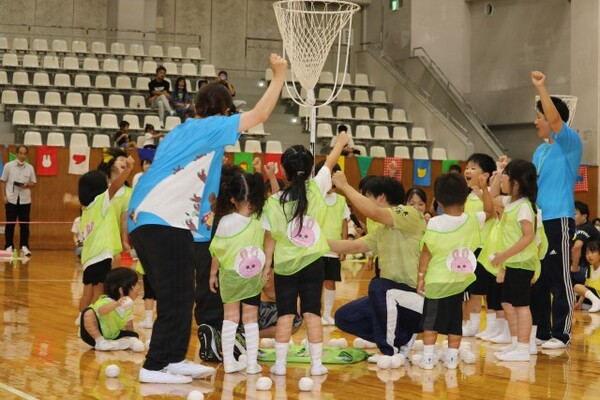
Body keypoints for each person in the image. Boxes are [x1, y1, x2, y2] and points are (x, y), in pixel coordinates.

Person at [127, 54, 288, 385]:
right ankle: (154, 366)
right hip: (161, 221)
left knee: (182, 294)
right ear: (224, 111)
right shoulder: (208, 128)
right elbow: (260, 114)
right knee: (176, 295)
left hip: (160, 222)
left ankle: (173, 359)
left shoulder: (186, 132)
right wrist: (279, 76)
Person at [261, 131, 350, 377]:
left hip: (285, 266)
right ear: (310, 169)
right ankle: (317, 365)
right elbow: (330, 161)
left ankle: (280, 365)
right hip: (313, 263)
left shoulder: (274, 202)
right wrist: (340, 142)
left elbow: (269, 237)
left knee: (285, 314)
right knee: (312, 313)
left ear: (283, 171)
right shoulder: (317, 188)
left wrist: (267, 265)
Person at [329, 174, 426, 358]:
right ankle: (400, 337)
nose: (363, 201)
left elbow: (373, 212)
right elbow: (354, 246)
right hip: (392, 299)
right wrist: (316, 242)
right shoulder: (382, 230)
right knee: (344, 317)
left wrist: (345, 186)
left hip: (416, 301)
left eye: (366, 196)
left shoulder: (411, 214)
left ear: (381, 197)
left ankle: (389, 350)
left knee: (378, 285)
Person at [416, 173, 492, 369]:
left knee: (431, 322)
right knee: (455, 321)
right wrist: (485, 188)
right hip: (458, 282)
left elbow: (426, 252)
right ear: (465, 198)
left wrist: (421, 276)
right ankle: (451, 359)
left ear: (439, 201)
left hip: (436, 281)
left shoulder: (434, 223)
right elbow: (490, 211)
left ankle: (428, 359)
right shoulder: (472, 220)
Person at [531, 70, 582, 349]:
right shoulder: (539, 152)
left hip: (558, 219)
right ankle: (541, 332)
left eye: (539, 116)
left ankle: (561, 334)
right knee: (538, 278)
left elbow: (554, 120)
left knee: (559, 278)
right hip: (538, 222)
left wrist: (541, 88)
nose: (536, 121)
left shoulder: (570, 143)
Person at [208, 160, 276, 374]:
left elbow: (217, 251)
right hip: (252, 274)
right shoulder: (261, 218)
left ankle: (229, 363)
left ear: (232, 198)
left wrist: (212, 274)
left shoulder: (225, 221)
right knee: (250, 318)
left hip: (229, 275)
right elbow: (275, 201)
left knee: (230, 317)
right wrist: (267, 266)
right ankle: (251, 364)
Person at [490, 160, 542, 362]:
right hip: (513, 262)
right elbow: (493, 196)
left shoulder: (524, 207)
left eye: (506, 176)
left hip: (522, 262)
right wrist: (499, 171)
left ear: (516, 182)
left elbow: (528, 237)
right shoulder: (510, 203)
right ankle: (515, 343)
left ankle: (523, 347)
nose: (502, 179)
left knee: (521, 305)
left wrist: (503, 255)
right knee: (507, 302)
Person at [78, 155, 133, 314]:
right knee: (99, 294)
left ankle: (82, 320)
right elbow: (115, 185)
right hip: (101, 256)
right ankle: (92, 320)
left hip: (88, 258)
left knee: (87, 293)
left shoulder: (86, 209)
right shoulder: (101, 201)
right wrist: (128, 169)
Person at [462, 153, 496, 338]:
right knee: (474, 290)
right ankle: (472, 325)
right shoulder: (467, 196)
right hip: (471, 249)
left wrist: (484, 190)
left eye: (473, 168)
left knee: (489, 291)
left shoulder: (490, 193)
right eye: (467, 167)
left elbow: (492, 212)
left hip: (487, 249)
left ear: (486, 175)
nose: (467, 170)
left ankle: (492, 327)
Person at [313, 160, 350, 326]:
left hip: (333, 250)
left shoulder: (341, 200)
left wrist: (344, 247)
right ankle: (314, 312)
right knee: (314, 283)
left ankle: (327, 314)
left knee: (330, 282)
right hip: (315, 249)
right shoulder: (315, 198)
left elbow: (344, 223)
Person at [80, 267, 140, 350]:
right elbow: (101, 311)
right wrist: (116, 304)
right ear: (121, 290)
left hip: (112, 335)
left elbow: (129, 325)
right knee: (88, 312)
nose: (138, 287)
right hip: (93, 336)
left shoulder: (128, 305)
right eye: (135, 284)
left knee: (133, 335)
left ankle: (114, 344)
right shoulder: (105, 301)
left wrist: (132, 337)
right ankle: (100, 341)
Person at [1, 145, 36, 257]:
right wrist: (4, 196)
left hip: (25, 201)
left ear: (26, 155)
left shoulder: (30, 168)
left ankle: (24, 246)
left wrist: (27, 185)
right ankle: (9, 246)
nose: (22, 156)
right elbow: (3, 181)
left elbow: (33, 183)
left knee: (24, 225)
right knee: (10, 224)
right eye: (20, 153)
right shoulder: (8, 166)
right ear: (17, 154)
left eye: (24, 154)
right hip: (11, 200)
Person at [571, 201, 600, 285]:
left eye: (575, 214)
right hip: (588, 266)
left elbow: (577, 246)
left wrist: (574, 267)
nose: (572, 217)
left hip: (594, 269)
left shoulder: (586, 228)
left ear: (584, 216)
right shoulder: (577, 228)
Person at [573, 240, 600, 312]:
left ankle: (596, 303)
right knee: (573, 298)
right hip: (593, 296)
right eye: (587, 253)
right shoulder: (589, 269)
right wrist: (579, 303)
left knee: (577, 287)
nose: (589, 256)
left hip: (598, 295)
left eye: (593, 252)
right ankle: (594, 303)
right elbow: (585, 287)